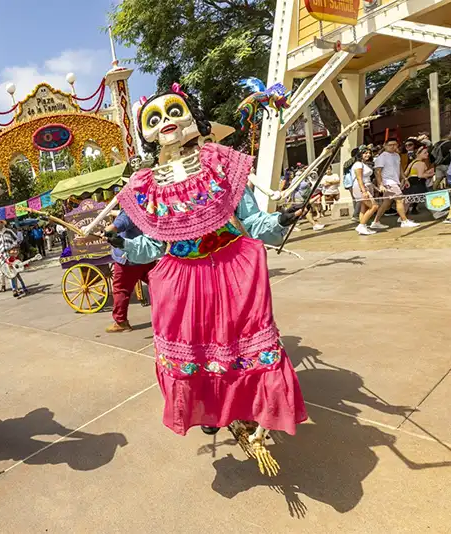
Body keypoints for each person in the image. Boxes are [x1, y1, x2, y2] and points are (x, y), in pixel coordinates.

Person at [107, 84, 305, 474]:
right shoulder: (148, 184)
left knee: (243, 346)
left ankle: (248, 408)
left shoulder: (220, 163)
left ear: (192, 119)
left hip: (233, 271)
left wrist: (280, 221)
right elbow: (152, 246)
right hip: (182, 280)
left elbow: (251, 220)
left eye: (173, 112)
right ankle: (213, 408)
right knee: (197, 353)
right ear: (147, 133)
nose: (166, 123)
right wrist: (125, 246)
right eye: (155, 118)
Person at [104, 210, 154, 333]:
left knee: (121, 289)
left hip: (128, 259)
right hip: (146, 254)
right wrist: (111, 212)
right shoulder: (145, 206)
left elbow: (120, 223)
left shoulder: (130, 211)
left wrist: (107, 231)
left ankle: (121, 322)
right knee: (157, 285)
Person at [371, 138, 419, 229]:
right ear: (385, 145)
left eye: (395, 145)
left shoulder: (397, 155)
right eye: (390, 145)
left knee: (386, 203)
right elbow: (378, 172)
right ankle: (404, 220)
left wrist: (404, 178)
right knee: (399, 199)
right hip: (388, 182)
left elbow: (399, 168)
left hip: (395, 181)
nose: (393, 147)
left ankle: (376, 221)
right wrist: (380, 184)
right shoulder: (382, 157)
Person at [0, 220, 26, 298]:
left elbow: (17, 240)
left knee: (14, 272)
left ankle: (18, 288)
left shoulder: (9, 231)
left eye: (0, 222)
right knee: (9, 273)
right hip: (2, 256)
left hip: (11, 255)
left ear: (2, 223)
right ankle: (14, 289)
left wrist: (13, 248)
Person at [350, 146, 380, 235]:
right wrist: (363, 191)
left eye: (369, 153)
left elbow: (366, 179)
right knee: (374, 206)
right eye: (365, 153)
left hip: (366, 186)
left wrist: (374, 187)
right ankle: (361, 225)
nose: (368, 154)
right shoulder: (358, 164)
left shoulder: (363, 164)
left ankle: (363, 227)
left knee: (364, 208)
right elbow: (359, 178)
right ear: (360, 154)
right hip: (361, 187)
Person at [404, 145, 434, 215]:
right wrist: (431, 174)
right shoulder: (421, 163)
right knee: (427, 198)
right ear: (418, 154)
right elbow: (420, 175)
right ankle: (436, 212)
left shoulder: (412, 162)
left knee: (408, 201)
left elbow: (406, 173)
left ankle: (402, 217)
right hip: (418, 183)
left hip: (411, 183)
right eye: (425, 153)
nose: (427, 154)